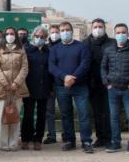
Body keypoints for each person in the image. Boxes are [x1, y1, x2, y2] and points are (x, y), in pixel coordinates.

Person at [101, 23, 129, 155]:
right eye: (118, 33)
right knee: (114, 117)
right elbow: (103, 67)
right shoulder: (108, 50)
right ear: (115, 35)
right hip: (112, 89)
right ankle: (115, 143)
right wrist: (106, 83)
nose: (121, 35)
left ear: (128, 33)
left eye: (123, 32)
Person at [48, 22, 93, 153]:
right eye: (62, 30)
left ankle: (86, 141)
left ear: (72, 31)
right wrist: (64, 77)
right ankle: (69, 140)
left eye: (67, 30)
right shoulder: (55, 49)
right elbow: (51, 66)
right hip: (62, 87)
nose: (64, 32)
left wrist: (73, 77)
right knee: (66, 115)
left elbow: (85, 64)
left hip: (80, 86)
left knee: (83, 114)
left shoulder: (82, 47)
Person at [0, 27, 29, 151]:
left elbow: (24, 68)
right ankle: (3, 144)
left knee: (15, 116)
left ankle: (13, 143)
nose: (9, 35)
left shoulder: (21, 50)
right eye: (7, 33)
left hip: (17, 88)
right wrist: (5, 83)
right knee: (3, 115)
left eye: (12, 33)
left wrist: (16, 83)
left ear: (16, 35)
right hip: (3, 88)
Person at [83, 18, 114, 148]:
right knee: (96, 112)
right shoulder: (85, 43)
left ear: (104, 28)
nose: (98, 29)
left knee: (108, 111)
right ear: (91, 28)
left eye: (100, 26)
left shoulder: (112, 43)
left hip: (109, 83)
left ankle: (110, 138)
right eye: (95, 26)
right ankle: (100, 137)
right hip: (92, 83)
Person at [22, 26, 53, 150]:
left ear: (46, 38)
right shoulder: (27, 50)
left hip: (44, 87)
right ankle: (25, 138)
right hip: (29, 87)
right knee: (28, 114)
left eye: (42, 37)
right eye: (37, 36)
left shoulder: (48, 51)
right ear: (33, 36)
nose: (39, 38)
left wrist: (51, 87)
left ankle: (38, 139)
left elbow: (51, 70)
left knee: (41, 114)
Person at [43, 24, 61, 144]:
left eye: (56, 32)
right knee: (49, 112)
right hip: (49, 84)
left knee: (65, 110)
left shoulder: (63, 46)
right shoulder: (45, 47)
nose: (54, 34)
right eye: (52, 32)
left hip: (62, 83)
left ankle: (67, 135)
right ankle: (51, 135)